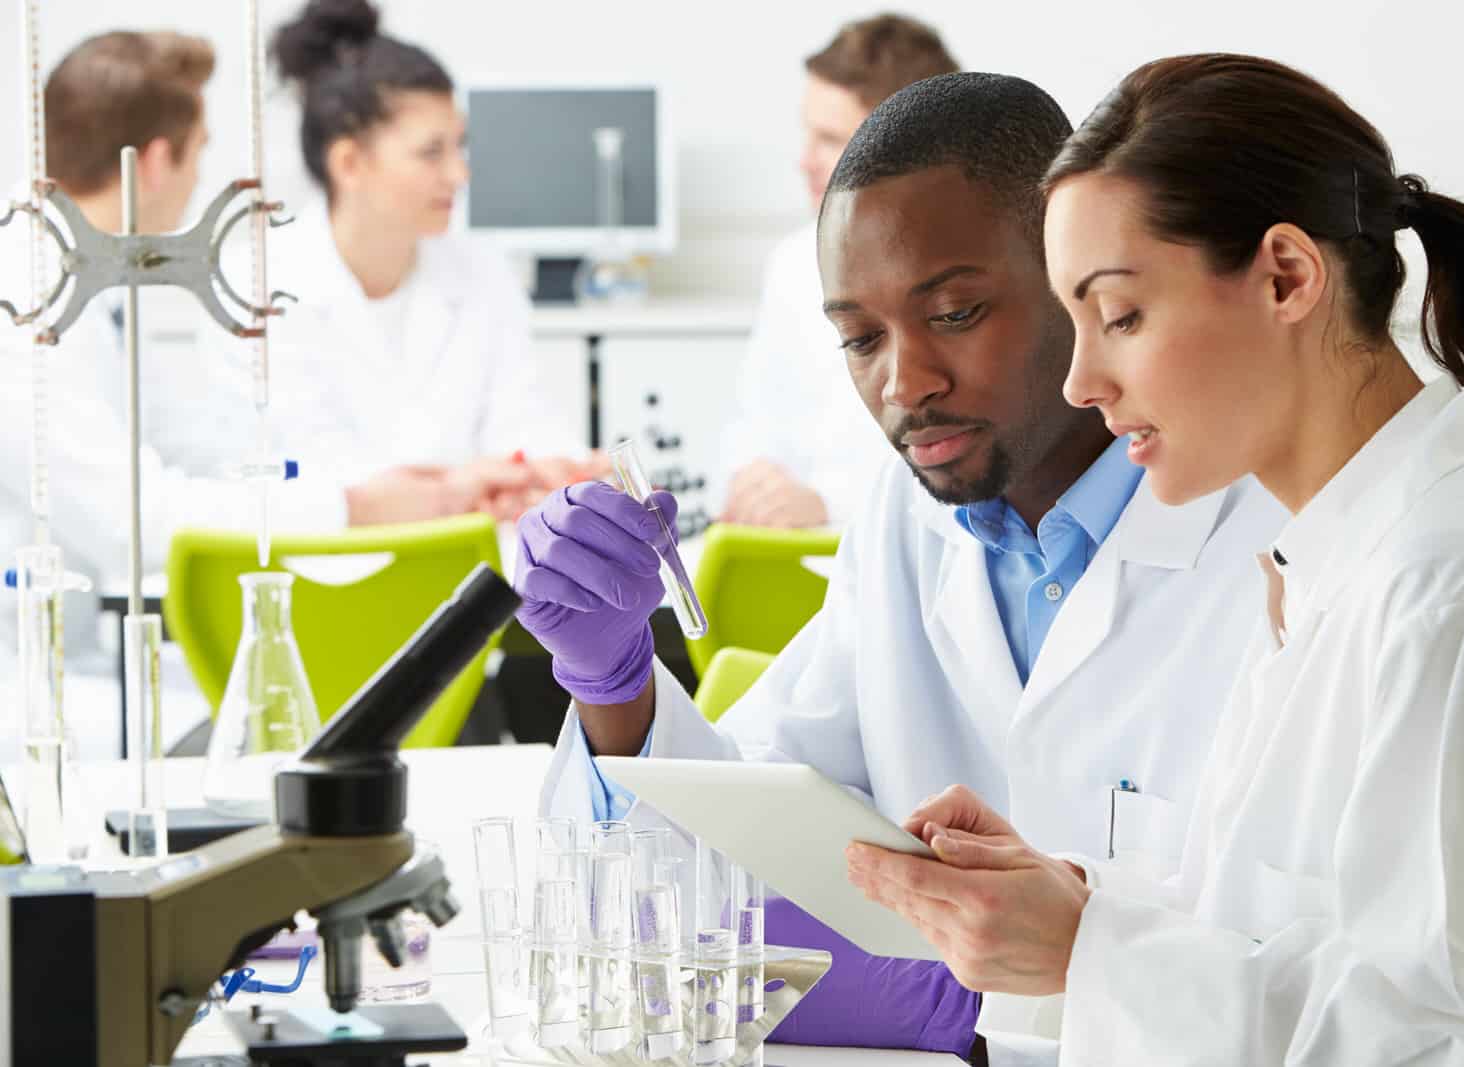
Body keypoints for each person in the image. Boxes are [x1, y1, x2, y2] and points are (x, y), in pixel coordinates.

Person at [846, 54, 1464, 1065]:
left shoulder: (1458, 591)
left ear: (1286, 276)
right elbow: (1291, 940)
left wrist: (1092, 951)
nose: (1080, 381)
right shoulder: (1335, 562)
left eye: (1119, 316)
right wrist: (1074, 908)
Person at [518, 73, 1286, 1063]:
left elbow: (1354, 981)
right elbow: (728, 856)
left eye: (957, 312)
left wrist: (1038, 987)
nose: (903, 382)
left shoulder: (1268, 541)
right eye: (858, 336)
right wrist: (612, 681)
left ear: (1080, 279)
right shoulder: (909, 520)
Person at [0, 31, 527, 750]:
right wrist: (357, 504)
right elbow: (135, 521)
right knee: (290, 742)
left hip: (86, 658)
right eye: (201, 149)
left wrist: (398, 489)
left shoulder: (92, 293)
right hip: (32, 683)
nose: (200, 180)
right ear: (155, 161)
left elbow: (198, 443)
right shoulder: (27, 307)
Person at [261, 0, 598, 514]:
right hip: (325, 577)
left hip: (473, 571)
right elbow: (299, 473)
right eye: (431, 152)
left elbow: (524, 415)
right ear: (349, 163)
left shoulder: (482, 271)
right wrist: (458, 488)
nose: (460, 175)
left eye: (459, 147)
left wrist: (554, 468)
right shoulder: (261, 285)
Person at [716, 14, 958, 529]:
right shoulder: (792, 264)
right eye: (808, 134)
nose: (805, 161)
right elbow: (755, 425)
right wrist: (750, 480)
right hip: (783, 552)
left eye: (829, 139)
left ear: (903, 149)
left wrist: (830, 508)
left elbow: (961, 470)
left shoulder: (965, 279)